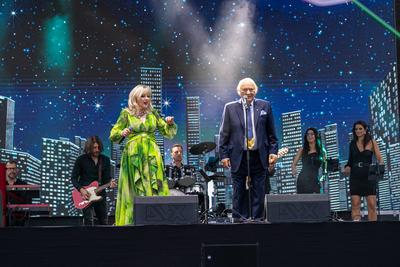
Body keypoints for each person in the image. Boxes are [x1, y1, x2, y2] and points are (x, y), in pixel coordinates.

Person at [110, 84, 177, 226]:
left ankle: (156, 220)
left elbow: (167, 132)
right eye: (143, 96)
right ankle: (132, 222)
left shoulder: (154, 114)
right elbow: (113, 135)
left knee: (154, 185)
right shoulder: (126, 113)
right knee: (133, 188)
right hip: (133, 155)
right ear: (135, 98)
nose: (146, 98)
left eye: (148, 96)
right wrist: (121, 133)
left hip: (151, 154)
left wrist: (169, 123)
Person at [219, 77, 278, 221]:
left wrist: (273, 152)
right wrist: (224, 155)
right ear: (239, 92)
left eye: (251, 89)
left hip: (259, 154)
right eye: (245, 89)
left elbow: (272, 134)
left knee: (259, 189)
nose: (248, 92)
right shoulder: (230, 107)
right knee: (239, 190)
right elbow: (224, 134)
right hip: (238, 155)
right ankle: (239, 220)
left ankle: (258, 220)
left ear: (255, 90)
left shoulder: (265, 106)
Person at [71, 136, 116, 226]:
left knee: (103, 222)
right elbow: (74, 178)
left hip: (100, 194)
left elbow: (107, 178)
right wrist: (81, 189)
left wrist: (110, 184)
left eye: (98, 147)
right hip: (85, 195)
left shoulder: (105, 160)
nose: (97, 150)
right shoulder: (81, 159)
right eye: (94, 148)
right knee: (88, 221)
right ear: (89, 147)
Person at [344, 120, 383, 222]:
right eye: (356, 129)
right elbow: (350, 161)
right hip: (355, 176)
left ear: (365, 130)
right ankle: (357, 230)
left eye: (360, 128)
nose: (358, 131)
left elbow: (379, 158)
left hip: (369, 176)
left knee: (371, 204)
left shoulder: (372, 142)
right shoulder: (352, 144)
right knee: (355, 204)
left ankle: (373, 231)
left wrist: (381, 168)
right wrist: (347, 167)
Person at [292, 127, 327, 194]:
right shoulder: (302, 150)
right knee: (304, 202)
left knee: (316, 202)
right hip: (303, 180)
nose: (309, 136)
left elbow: (325, 166)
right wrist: (294, 169)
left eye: (312, 134)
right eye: (307, 134)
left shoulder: (322, 151)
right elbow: (294, 163)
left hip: (315, 180)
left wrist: (323, 176)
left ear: (316, 136)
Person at [5, 159, 30, 226]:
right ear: (6, 170)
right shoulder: (1, 184)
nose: (12, 171)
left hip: (20, 220)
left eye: (14, 168)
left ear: (17, 170)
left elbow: (28, 203)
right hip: (3, 220)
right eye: (9, 169)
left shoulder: (24, 185)